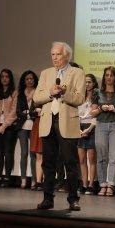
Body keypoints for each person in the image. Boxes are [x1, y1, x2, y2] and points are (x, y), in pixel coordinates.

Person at [34, 41, 85, 211]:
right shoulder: (45, 73)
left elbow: (79, 99)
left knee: (70, 163)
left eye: (58, 54)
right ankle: (48, 198)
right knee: (48, 163)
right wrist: (50, 92)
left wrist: (64, 93)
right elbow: (36, 97)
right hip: (48, 121)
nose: (54, 57)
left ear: (67, 56)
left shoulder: (77, 73)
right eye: (53, 54)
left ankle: (73, 199)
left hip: (67, 122)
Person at [91, 66, 115, 196]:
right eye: (107, 75)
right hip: (101, 125)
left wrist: (114, 110)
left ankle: (111, 185)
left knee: (114, 157)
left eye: (111, 75)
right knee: (102, 157)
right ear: (104, 77)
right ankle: (102, 184)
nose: (109, 78)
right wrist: (101, 109)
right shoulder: (97, 92)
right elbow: (92, 113)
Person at [0, 69, 18, 187]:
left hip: (9, 127)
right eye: (2, 77)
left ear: (10, 79)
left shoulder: (14, 93)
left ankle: (7, 178)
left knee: (8, 152)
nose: (4, 79)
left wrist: (4, 125)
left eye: (7, 77)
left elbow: (14, 111)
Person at [16, 70, 39, 189]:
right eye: (27, 79)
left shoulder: (38, 92)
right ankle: (23, 179)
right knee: (23, 153)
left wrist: (29, 113)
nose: (29, 81)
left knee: (33, 153)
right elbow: (18, 112)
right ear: (24, 81)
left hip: (35, 125)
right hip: (22, 126)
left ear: (34, 80)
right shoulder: (20, 94)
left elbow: (38, 110)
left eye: (31, 78)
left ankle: (35, 180)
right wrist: (28, 113)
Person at [77, 74, 98, 195]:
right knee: (82, 159)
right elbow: (76, 114)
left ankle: (91, 185)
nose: (87, 84)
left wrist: (89, 129)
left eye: (89, 82)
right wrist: (78, 130)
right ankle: (84, 184)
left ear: (94, 83)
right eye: (85, 82)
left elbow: (94, 116)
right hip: (79, 128)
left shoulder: (96, 97)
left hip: (91, 127)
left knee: (91, 159)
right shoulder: (80, 97)